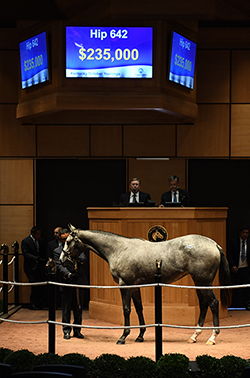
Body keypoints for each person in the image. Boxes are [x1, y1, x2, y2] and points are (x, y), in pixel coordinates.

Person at [53, 228, 88, 340]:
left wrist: (74, 254)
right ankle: (66, 331)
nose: (65, 241)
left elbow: (83, 259)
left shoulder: (76, 248)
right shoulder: (57, 251)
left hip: (78, 282)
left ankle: (77, 331)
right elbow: (59, 266)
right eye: (63, 239)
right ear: (60, 238)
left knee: (78, 307)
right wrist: (68, 274)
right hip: (66, 282)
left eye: (66, 239)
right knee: (66, 308)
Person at [21, 226, 47, 310]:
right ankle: (32, 303)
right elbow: (26, 253)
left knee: (40, 286)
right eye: (38, 234)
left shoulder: (41, 241)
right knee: (33, 285)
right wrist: (35, 258)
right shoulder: (26, 241)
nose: (39, 236)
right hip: (30, 267)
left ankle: (39, 303)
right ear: (33, 234)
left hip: (39, 267)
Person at [227, 226, 250, 310]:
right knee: (234, 287)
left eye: (247, 233)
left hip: (246, 269)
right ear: (240, 233)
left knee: (246, 289)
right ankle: (232, 304)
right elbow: (229, 254)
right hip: (235, 268)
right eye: (243, 232)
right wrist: (232, 265)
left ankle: (247, 304)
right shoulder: (233, 242)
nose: (245, 234)